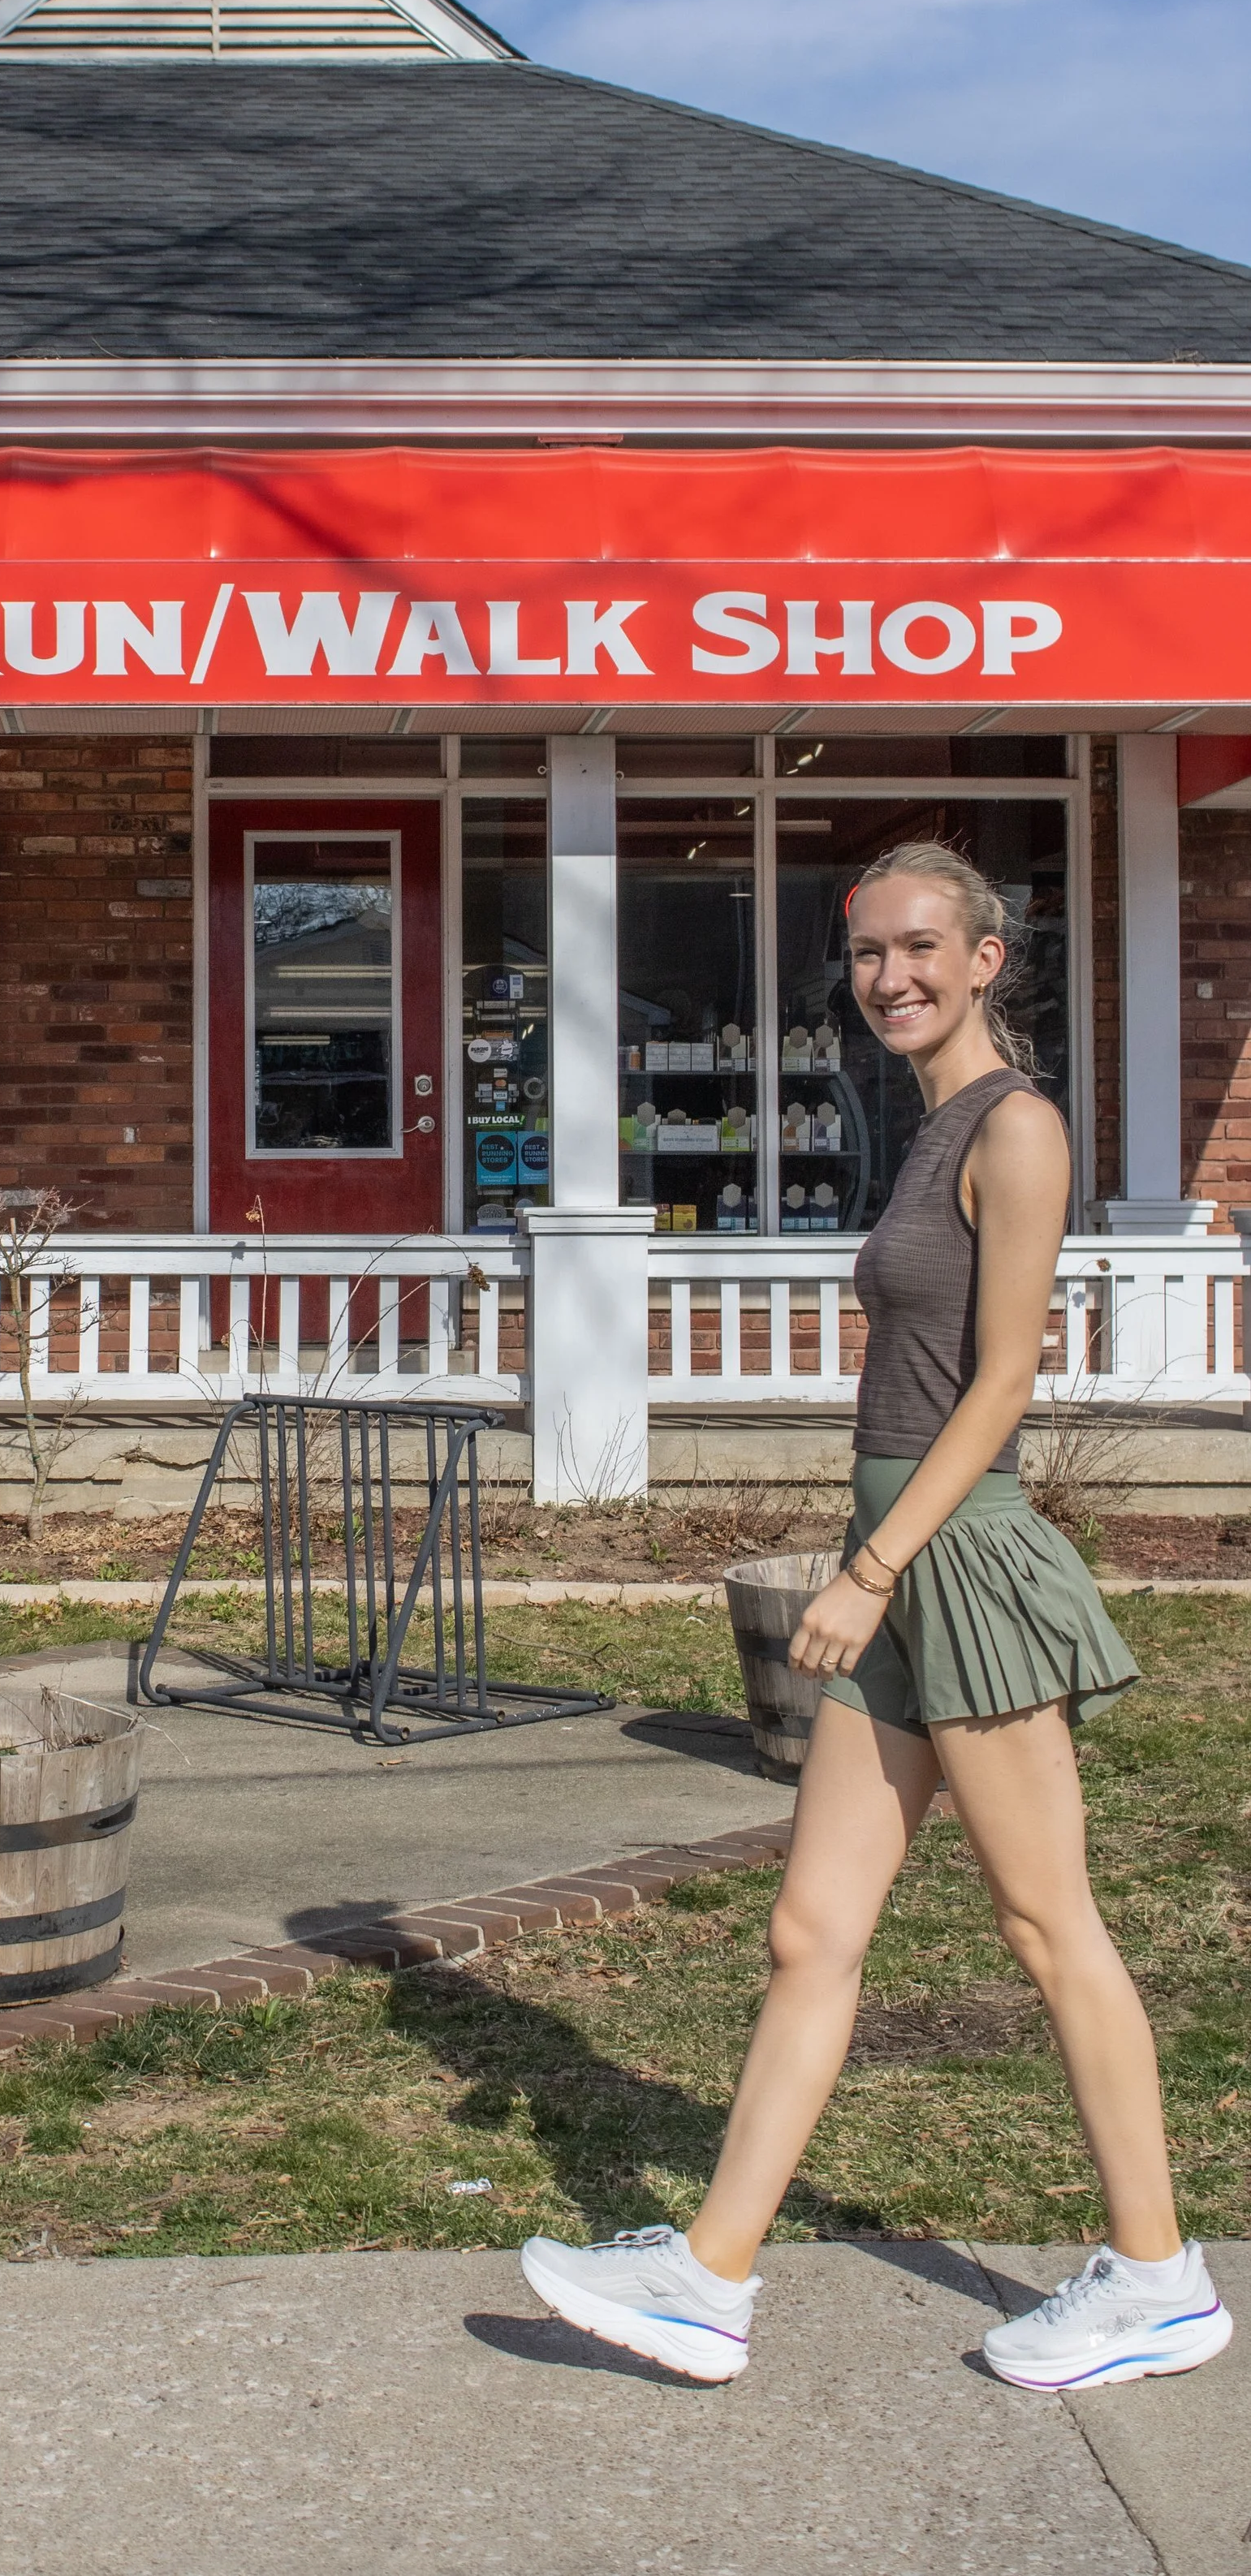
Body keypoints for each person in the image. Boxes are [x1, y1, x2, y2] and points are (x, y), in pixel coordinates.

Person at [523, 842, 1233, 2393]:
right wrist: (866, 1549)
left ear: (989, 957)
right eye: (866, 957)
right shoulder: (925, 1128)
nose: (890, 978)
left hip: (954, 1559)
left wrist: (871, 1569)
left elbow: (1003, 1385)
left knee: (1051, 1926)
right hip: (901, 1547)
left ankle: (1160, 2277)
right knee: (809, 1931)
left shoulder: (1018, 1128)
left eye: (922, 950)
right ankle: (711, 2281)